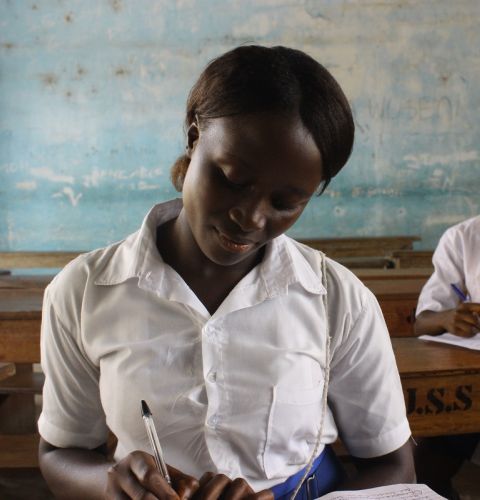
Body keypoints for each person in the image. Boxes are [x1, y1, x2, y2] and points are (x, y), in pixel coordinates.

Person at [38, 45, 414, 500]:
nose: (252, 218)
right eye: (233, 180)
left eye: (285, 203)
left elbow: (395, 467)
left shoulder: (337, 298)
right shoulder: (83, 291)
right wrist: (111, 482)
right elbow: (60, 452)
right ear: (195, 138)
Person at [414, 215, 480, 498]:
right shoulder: (464, 237)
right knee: (430, 462)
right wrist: (449, 317)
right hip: (473, 375)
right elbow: (423, 322)